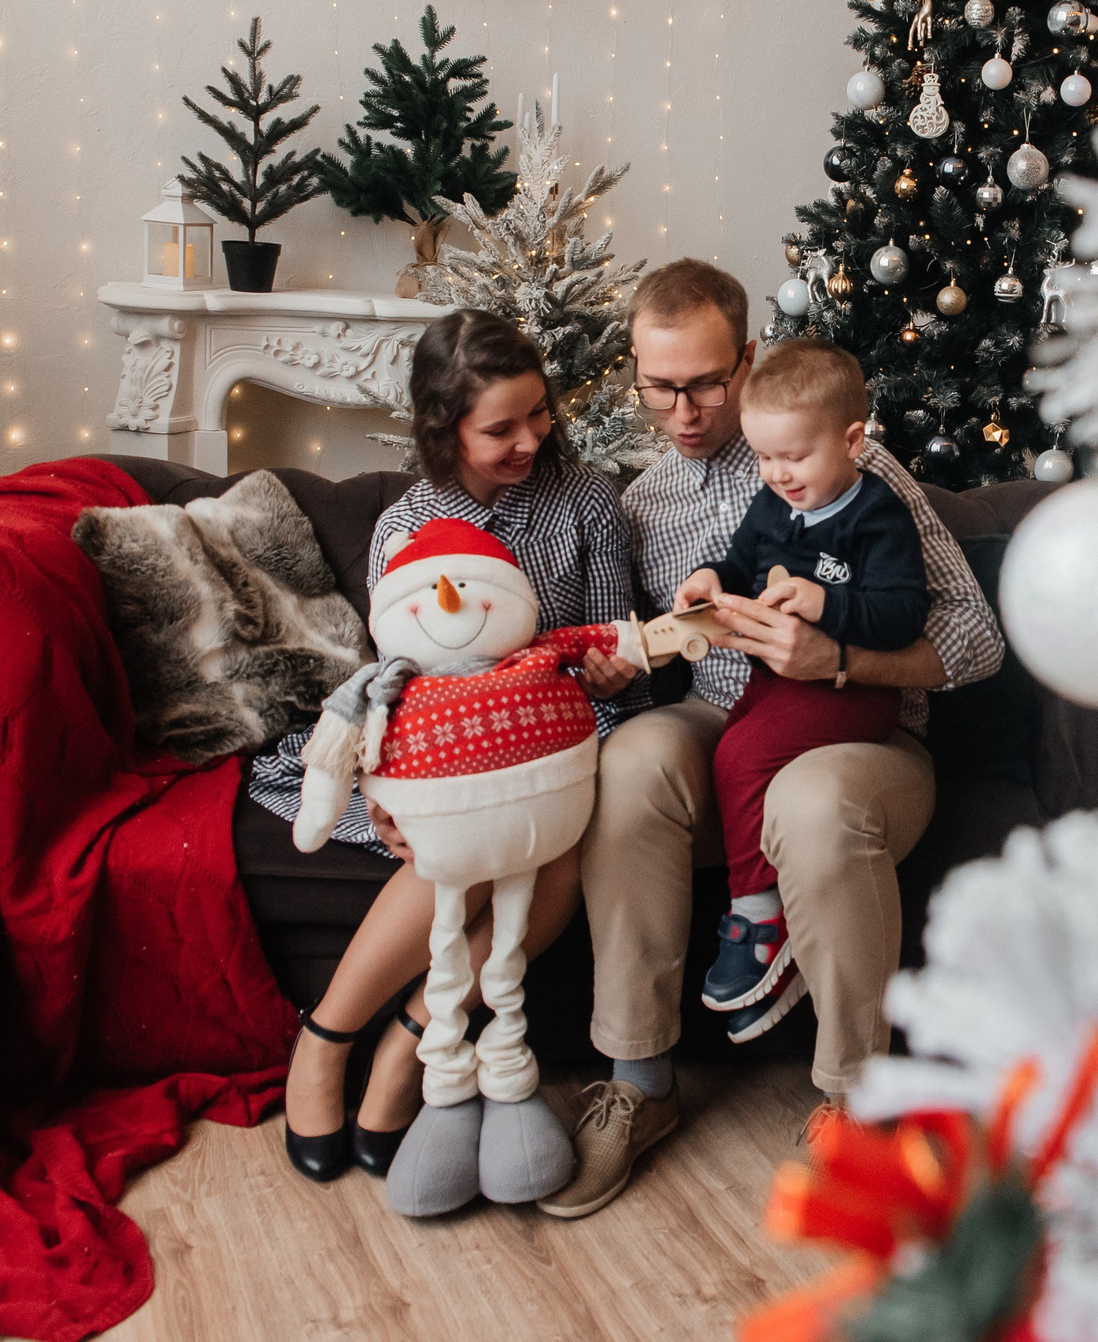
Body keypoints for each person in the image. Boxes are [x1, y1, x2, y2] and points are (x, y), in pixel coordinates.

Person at [537, 262, 1003, 1220]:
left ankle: (854, 1102)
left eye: (707, 382)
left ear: (747, 362)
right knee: (628, 765)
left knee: (811, 799)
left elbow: (976, 637)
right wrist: (632, 666)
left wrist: (836, 653)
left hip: (861, 737)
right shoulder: (642, 505)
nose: (685, 410)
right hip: (727, 718)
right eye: (660, 386)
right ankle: (638, 1080)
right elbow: (671, 655)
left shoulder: (847, 465)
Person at [241, 309, 643, 1188]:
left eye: (538, 414)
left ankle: (407, 1042)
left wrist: (616, 668)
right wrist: (392, 786)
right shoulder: (407, 527)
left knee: (554, 852)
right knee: (449, 845)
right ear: (442, 427)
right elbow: (401, 679)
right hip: (441, 743)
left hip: (561, 736)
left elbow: (619, 636)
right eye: (500, 427)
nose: (530, 439)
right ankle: (324, 1040)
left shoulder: (588, 501)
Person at [671, 339, 928, 1032]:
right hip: (777, 681)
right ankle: (767, 898)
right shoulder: (773, 505)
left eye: (794, 457)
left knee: (740, 756)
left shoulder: (878, 514)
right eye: (763, 457)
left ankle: (757, 915)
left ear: (852, 441)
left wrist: (828, 605)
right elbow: (740, 560)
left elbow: (905, 612)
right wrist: (711, 580)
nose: (777, 474)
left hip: (852, 690)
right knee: (736, 744)